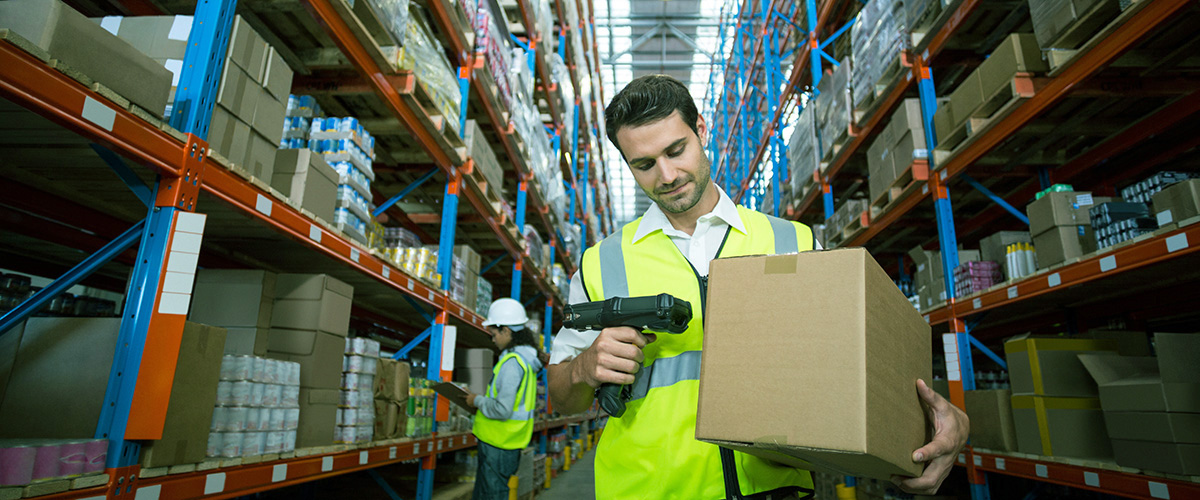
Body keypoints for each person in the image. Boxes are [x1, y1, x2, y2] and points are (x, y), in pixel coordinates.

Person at [546, 75, 969, 499]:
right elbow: (563, 397)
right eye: (645, 164)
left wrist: (946, 421)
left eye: (677, 150)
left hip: (774, 490)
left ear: (702, 131)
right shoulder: (601, 263)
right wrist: (584, 368)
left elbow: (867, 363)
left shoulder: (793, 243)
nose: (668, 174)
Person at [464, 298, 544, 500]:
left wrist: (477, 401)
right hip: (505, 443)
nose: (492, 340)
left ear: (506, 331)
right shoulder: (524, 360)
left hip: (498, 444)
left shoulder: (512, 364)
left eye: (494, 334)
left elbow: (502, 409)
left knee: (491, 495)